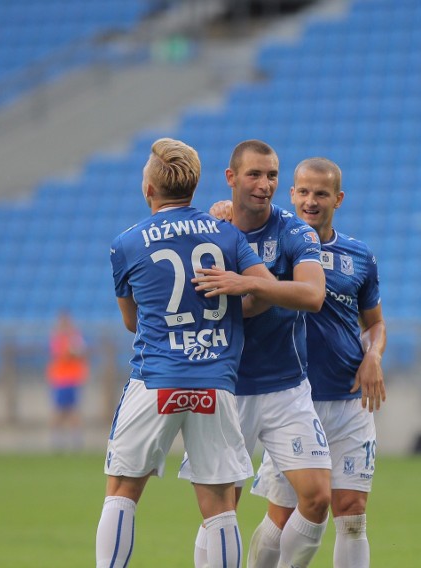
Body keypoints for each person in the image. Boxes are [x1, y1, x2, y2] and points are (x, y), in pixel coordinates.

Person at [96, 137, 276, 568]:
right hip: (214, 383)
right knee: (220, 506)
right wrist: (233, 312)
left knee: (123, 490)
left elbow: (131, 321)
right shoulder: (227, 235)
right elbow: (267, 290)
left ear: (150, 189)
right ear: (194, 188)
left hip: (156, 379)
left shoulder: (127, 243)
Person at [227, 157, 386, 567]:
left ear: (339, 198)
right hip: (296, 399)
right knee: (283, 514)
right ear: (292, 194)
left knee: (351, 512)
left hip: (350, 400)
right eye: (303, 191)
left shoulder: (360, 256)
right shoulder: (277, 242)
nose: (310, 201)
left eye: (321, 193)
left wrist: (373, 356)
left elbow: (375, 323)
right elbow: (238, 211)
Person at [182, 140, 330, 568]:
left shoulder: (293, 231)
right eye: (254, 175)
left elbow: (313, 294)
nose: (265, 185)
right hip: (227, 389)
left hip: (286, 387)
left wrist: (249, 284)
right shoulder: (209, 232)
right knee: (221, 508)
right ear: (231, 179)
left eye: (271, 176)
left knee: (318, 497)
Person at [47, 310, 89, 451]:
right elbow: (65, 354)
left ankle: (76, 441)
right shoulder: (58, 338)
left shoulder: (75, 337)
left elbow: (81, 352)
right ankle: (57, 441)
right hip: (61, 379)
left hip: (73, 378)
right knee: (59, 411)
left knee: (73, 411)